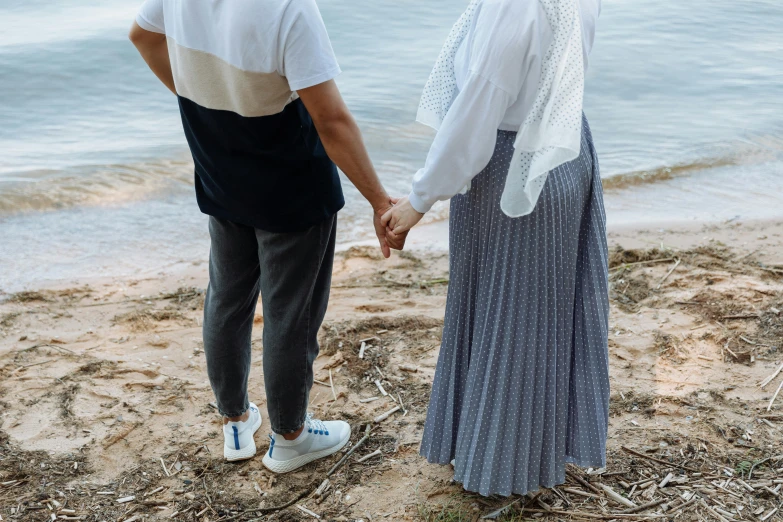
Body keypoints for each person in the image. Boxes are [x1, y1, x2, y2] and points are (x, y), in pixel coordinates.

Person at [129, 0, 403, 471]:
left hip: (220, 164)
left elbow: (144, 36)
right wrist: (381, 201)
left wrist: (204, 97)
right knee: (290, 312)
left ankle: (236, 421)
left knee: (228, 297)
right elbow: (332, 121)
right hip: (291, 183)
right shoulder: (290, 9)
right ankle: (291, 435)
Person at [382, 0, 609, 496]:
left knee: (503, 319)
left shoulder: (513, 6)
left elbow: (477, 111)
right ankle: (523, 455)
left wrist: (419, 200)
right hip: (566, 152)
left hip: (514, 171)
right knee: (540, 322)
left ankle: (498, 471)